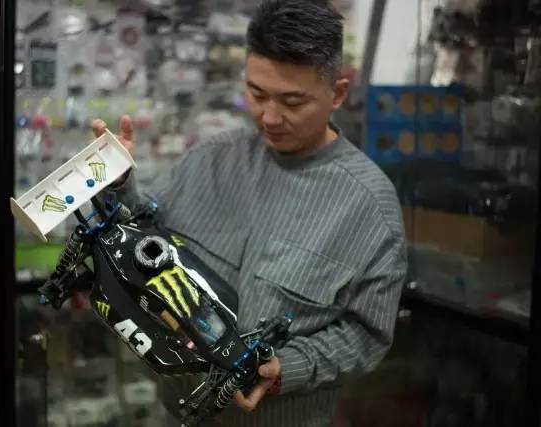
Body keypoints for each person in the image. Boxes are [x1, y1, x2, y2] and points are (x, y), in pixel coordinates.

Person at [92, 0, 407, 425]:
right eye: (257, 95)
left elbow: (366, 335)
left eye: (292, 102)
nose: (270, 117)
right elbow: (141, 238)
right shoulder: (209, 159)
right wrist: (116, 184)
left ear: (337, 94)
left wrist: (288, 369)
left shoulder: (369, 207)